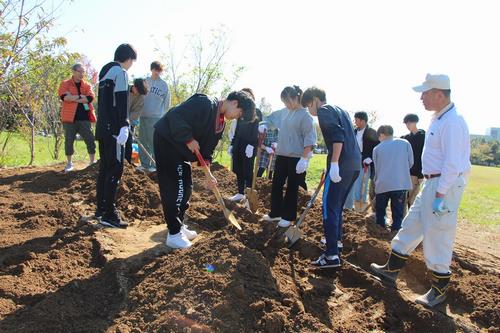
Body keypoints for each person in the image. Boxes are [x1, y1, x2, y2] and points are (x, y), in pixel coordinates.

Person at [370, 74, 471, 307]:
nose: (421, 98)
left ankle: (440, 288)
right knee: (411, 225)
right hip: (431, 182)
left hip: (443, 184)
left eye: (424, 94)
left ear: (438, 94)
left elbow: (453, 164)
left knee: (438, 233)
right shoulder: (438, 118)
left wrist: (440, 194)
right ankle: (391, 269)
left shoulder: (453, 122)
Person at [153, 91, 255, 249]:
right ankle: (173, 234)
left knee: (187, 188)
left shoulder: (220, 124)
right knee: (175, 188)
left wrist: (208, 173)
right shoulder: (205, 103)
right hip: (168, 142)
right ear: (234, 103)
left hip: (180, 150)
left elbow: (207, 151)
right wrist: (188, 138)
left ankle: (179, 226)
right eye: (239, 113)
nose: (237, 117)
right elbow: (175, 116)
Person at [301, 87, 360, 268]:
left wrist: (334, 164)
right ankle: (336, 242)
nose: (310, 111)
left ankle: (331, 256)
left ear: (315, 100)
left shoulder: (324, 111)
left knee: (328, 207)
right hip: (353, 164)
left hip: (341, 164)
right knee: (337, 207)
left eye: (308, 106)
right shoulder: (339, 109)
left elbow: (338, 137)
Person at [261, 86, 316, 228]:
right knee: (276, 184)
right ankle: (276, 213)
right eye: (284, 102)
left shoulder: (305, 116)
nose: (286, 104)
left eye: (287, 101)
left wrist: (304, 159)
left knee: (292, 186)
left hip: (297, 158)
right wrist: (264, 125)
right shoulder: (284, 112)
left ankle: (288, 216)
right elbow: (269, 119)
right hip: (282, 154)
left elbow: (309, 139)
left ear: (296, 98)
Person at [95, 43, 137, 228]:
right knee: (115, 169)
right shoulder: (120, 73)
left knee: (104, 168)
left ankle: (101, 208)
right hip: (114, 130)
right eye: (132, 61)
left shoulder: (104, 74)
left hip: (103, 128)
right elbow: (121, 101)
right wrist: (124, 125)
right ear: (129, 59)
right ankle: (109, 214)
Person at [372, 125, 414, 231]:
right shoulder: (404, 143)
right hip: (400, 184)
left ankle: (380, 231)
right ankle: (395, 232)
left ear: (381, 135)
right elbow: (411, 162)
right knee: (398, 212)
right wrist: (400, 171)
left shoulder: (377, 148)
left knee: (380, 211)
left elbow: (376, 168)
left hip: (382, 184)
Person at [58, 63, 97, 172]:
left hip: (84, 117)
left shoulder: (87, 85)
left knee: (90, 139)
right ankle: (69, 163)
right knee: (69, 140)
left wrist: (73, 97)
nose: (82, 74)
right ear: (73, 72)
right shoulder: (65, 83)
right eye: (79, 71)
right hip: (69, 118)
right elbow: (64, 97)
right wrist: (80, 97)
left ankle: (91, 162)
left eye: (83, 72)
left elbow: (89, 98)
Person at [227, 88, 263, 202]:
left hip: (249, 146)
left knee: (247, 170)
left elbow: (258, 130)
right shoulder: (240, 111)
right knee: (238, 169)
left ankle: (249, 195)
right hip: (238, 144)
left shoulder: (256, 112)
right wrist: (232, 144)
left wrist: (253, 144)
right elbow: (237, 130)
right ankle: (240, 192)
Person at [139, 61, 171, 171]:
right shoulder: (145, 81)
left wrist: (162, 115)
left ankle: (154, 165)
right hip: (143, 116)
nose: (157, 72)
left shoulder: (164, 85)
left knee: (154, 142)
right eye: (155, 69)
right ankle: (144, 164)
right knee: (143, 141)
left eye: (159, 70)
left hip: (156, 118)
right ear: (151, 69)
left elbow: (167, 103)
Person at [344, 111, 379, 210]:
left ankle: (360, 209)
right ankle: (349, 207)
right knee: (350, 185)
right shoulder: (353, 132)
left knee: (362, 186)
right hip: (352, 162)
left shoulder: (372, 132)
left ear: (363, 121)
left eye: (356, 120)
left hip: (365, 164)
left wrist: (370, 158)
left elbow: (376, 148)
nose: (355, 122)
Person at [402, 113, 426, 210]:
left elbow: (423, 156)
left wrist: (420, 174)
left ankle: (413, 223)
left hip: (416, 174)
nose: (408, 125)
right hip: (405, 173)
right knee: (403, 199)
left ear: (415, 122)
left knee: (413, 200)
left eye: (409, 123)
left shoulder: (424, 137)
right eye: (406, 124)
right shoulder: (406, 138)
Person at [125, 78, 149, 163]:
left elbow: (136, 111)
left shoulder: (141, 97)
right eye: (138, 91)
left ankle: (127, 162)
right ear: (134, 86)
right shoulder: (124, 89)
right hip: (117, 118)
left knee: (128, 142)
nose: (138, 94)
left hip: (129, 122)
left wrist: (128, 121)